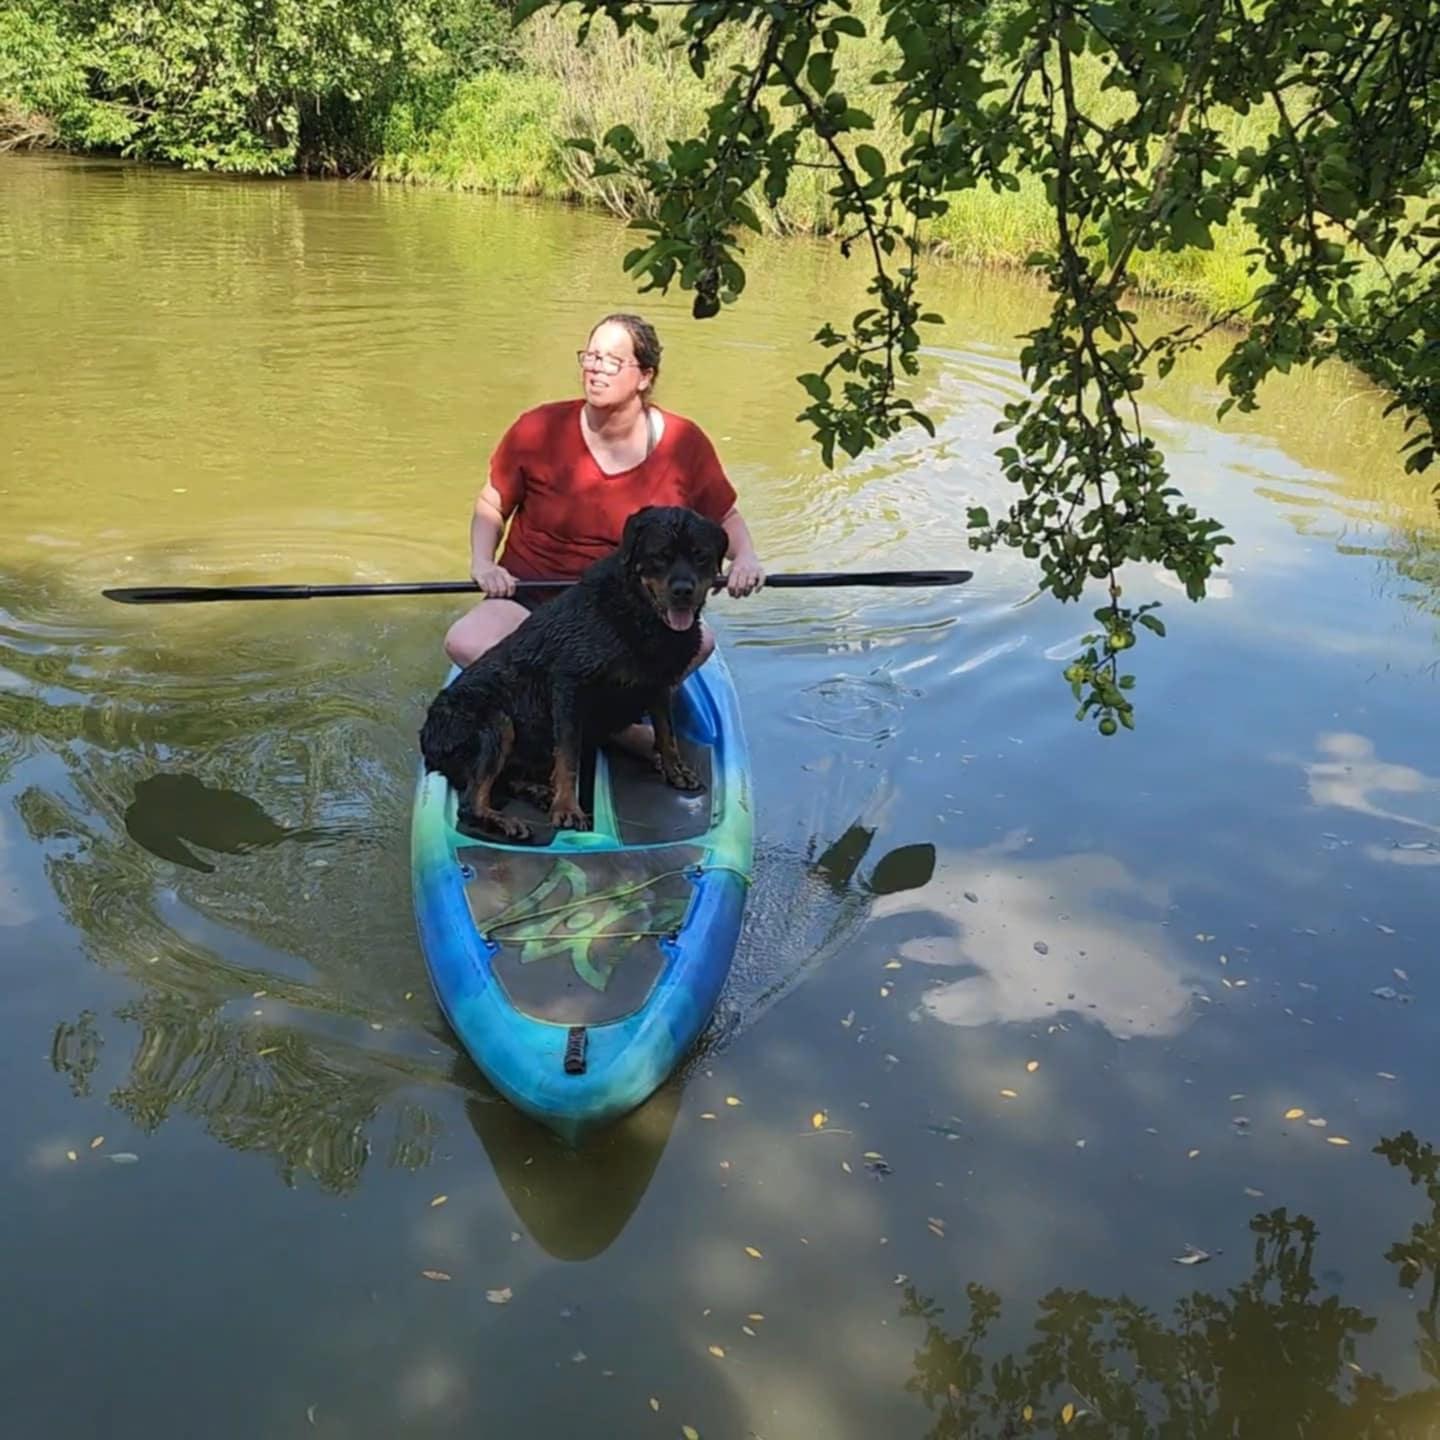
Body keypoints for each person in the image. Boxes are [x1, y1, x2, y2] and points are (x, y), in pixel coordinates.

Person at [443, 312, 764, 754]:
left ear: (645, 376)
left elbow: (725, 517)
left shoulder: (684, 443)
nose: (595, 369)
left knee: (700, 642)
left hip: (627, 608)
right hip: (533, 598)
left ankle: (584, 712)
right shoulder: (536, 428)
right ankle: (617, 731)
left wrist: (745, 557)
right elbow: (491, 504)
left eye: (612, 360)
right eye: (591, 357)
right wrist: (483, 562)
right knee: (464, 641)